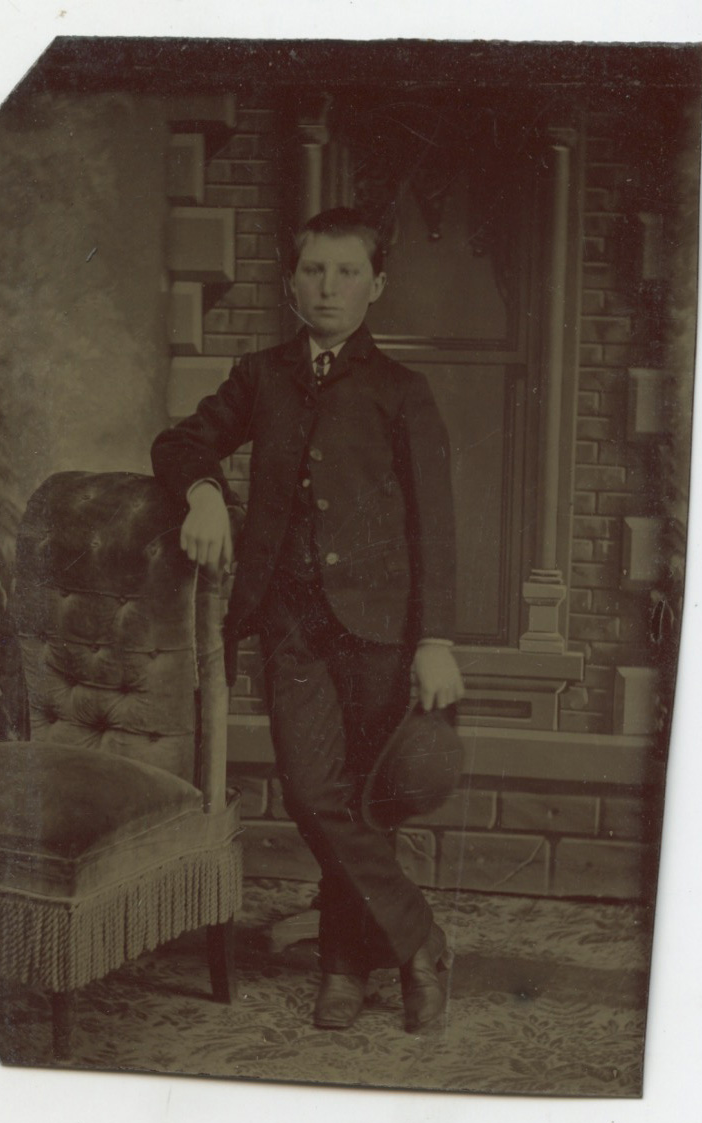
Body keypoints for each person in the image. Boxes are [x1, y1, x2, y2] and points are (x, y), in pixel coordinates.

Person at [152, 207, 464, 1032]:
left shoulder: (402, 391)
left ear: (376, 285)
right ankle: (420, 940)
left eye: (347, 271)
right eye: (314, 270)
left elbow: (435, 526)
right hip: (291, 624)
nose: (329, 287)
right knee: (310, 791)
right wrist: (204, 490)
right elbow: (180, 442)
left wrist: (434, 639)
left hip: (380, 630)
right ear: (291, 282)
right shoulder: (260, 376)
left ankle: (342, 965)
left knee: (363, 804)